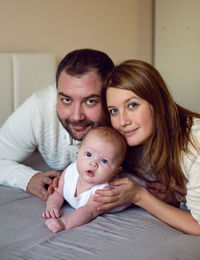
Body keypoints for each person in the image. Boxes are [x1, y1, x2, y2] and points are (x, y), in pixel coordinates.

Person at [94, 59, 200, 235]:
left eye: (132, 105)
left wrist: (140, 196)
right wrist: (173, 197)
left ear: (158, 103)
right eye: (114, 111)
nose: (122, 121)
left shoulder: (194, 143)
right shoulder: (135, 145)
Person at [0, 49, 114, 200]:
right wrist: (27, 178)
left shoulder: (123, 115)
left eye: (90, 101)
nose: (76, 116)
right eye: (66, 100)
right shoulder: (38, 109)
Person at [42, 126, 127, 233]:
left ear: (115, 172)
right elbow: (57, 192)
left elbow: (88, 211)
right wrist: (52, 206)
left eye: (104, 161)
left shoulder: (104, 191)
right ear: (78, 153)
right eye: (88, 154)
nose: (93, 163)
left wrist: (64, 223)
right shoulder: (70, 171)